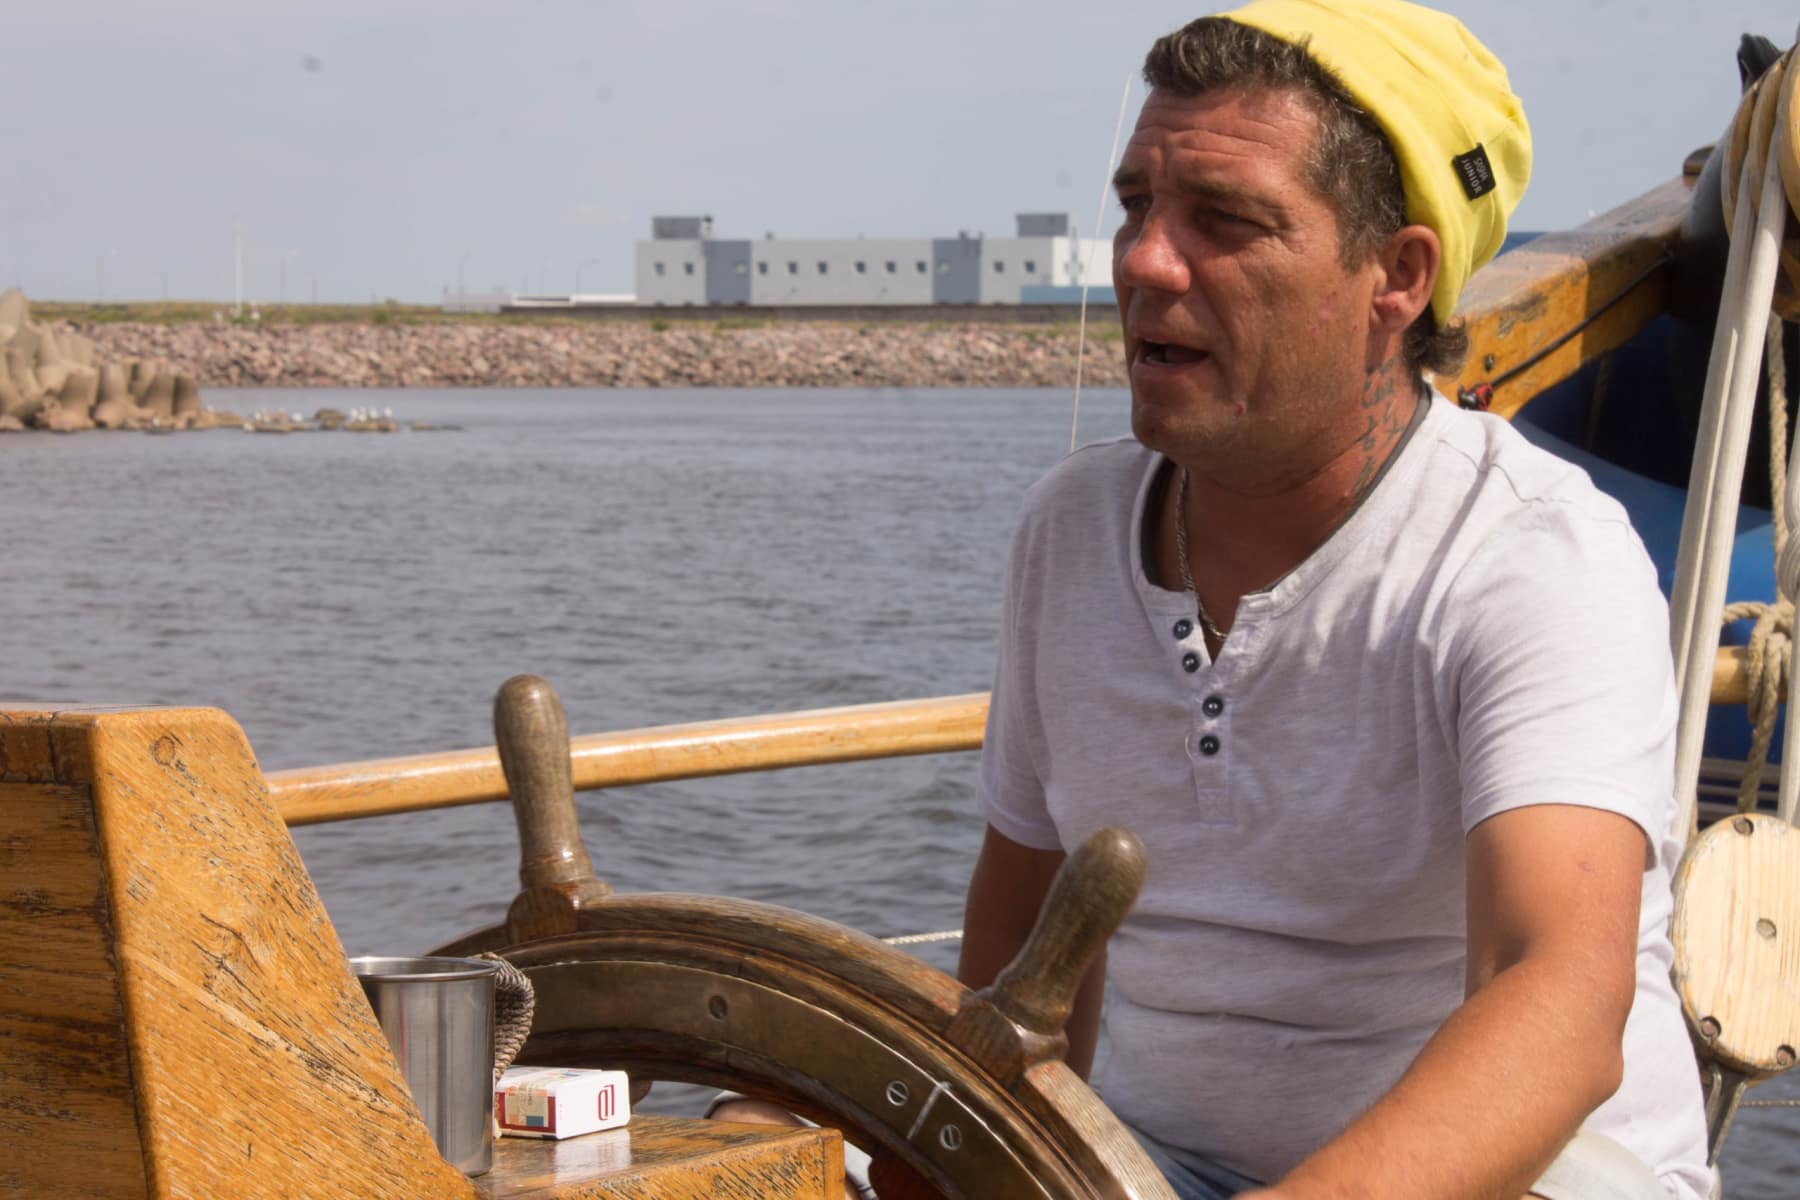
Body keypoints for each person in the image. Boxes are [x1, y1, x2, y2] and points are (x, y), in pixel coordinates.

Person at [958, 3, 1714, 1198]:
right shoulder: (1071, 531)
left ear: (1397, 278)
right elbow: (1017, 955)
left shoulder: (1529, 558)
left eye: (1225, 221)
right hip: (1157, 1164)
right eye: (1137, 206)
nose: (1144, 261)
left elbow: (1557, 999)